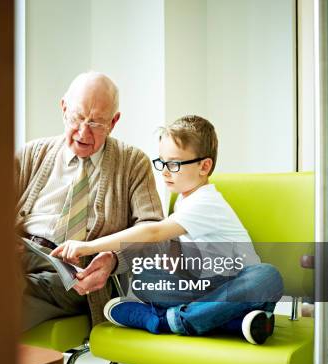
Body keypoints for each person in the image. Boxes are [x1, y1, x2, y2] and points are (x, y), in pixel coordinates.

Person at [51, 115, 284, 344]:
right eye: (162, 162)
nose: (164, 171)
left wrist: (89, 246)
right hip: (208, 292)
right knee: (144, 279)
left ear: (204, 166)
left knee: (268, 275)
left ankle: (165, 321)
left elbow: (152, 232)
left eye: (173, 164)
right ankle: (232, 323)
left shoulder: (205, 202)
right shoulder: (183, 202)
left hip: (242, 290)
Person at [15, 71, 163, 331]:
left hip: (75, 273)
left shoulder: (133, 163)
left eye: (96, 123)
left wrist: (113, 259)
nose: (83, 132)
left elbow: (154, 234)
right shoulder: (31, 153)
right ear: (63, 108)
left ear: (113, 122)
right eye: (77, 117)